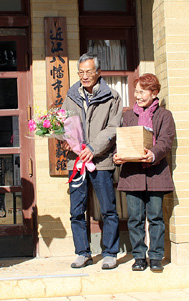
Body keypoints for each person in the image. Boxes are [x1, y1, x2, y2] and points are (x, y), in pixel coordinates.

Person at [61, 53, 123, 270]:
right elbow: (63, 122)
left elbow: (113, 127)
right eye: (81, 72)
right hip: (76, 161)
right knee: (76, 210)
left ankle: (110, 252)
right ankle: (82, 252)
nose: (84, 76)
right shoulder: (71, 95)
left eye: (88, 72)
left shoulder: (112, 97)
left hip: (101, 160)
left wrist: (93, 148)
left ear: (98, 72)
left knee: (108, 208)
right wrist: (66, 140)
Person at [113, 73, 175, 272]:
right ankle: (139, 257)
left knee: (156, 217)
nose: (137, 95)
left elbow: (166, 141)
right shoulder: (128, 116)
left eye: (141, 91)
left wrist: (154, 154)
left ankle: (156, 257)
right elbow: (122, 140)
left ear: (154, 92)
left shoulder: (165, 116)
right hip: (133, 174)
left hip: (156, 173)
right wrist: (118, 155)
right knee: (135, 218)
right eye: (135, 92)